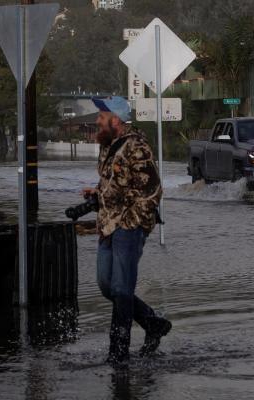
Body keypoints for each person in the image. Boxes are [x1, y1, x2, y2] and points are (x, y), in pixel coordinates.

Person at [83, 96, 171, 365]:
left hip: (128, 227)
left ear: (116, 119)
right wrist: (97, 193)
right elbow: (114, 183)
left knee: (122, 288)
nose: (97, 119)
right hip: (107, 225)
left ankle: (118, 351)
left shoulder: (138, 147)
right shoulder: (108, 145)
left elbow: (152, 190)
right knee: (107, 285)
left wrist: (132, 222)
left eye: (101, 115)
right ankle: (151, 322)